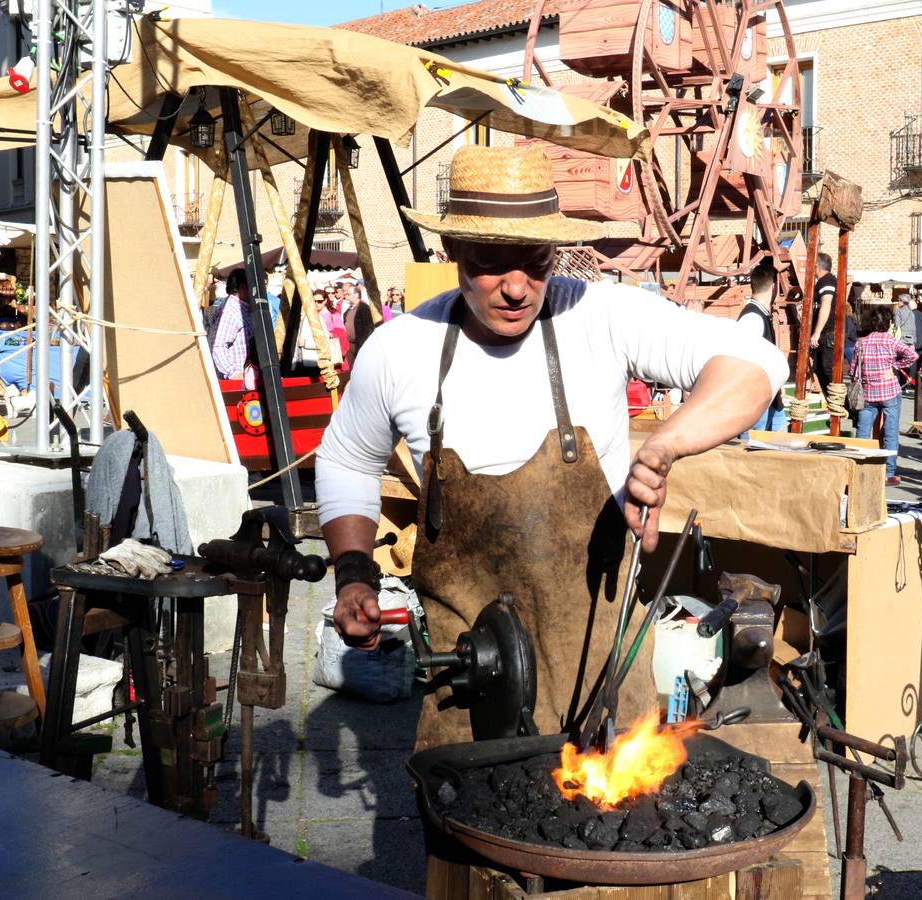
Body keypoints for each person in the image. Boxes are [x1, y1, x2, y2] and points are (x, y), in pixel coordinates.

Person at [315, 144, 787, 751]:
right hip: (469, 696)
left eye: (535, 263)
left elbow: (755, 365)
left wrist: (663, 447)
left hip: (604, 689)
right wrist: (355, 574)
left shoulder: (603, 317)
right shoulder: (400, 349)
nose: (516, 288)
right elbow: (346, 459)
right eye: (491, 263)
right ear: (452, 250)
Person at [851, 304, 917, 486]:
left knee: (863, 432)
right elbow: (913, 356)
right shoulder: (891, 341)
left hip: (868, 394)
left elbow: (853, 371)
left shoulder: (861, 343)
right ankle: (888, 472)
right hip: (889, 392)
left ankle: (860, 466)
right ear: (888, 323)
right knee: (891, 432)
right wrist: (894, 366)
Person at [737, 260, 784, 433]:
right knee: (752, 448)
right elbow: (743, 359)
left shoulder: (761, 315)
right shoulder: (752, 318)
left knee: (780, 441)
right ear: (773, 287)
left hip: (769, 397)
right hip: (755, 399)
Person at [211, 270, 252, 381]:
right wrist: (233, 374)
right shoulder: (231, 311)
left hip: (243, 378)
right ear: (242, 287)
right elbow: (218, 347)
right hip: (237, 381)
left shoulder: (237, 308)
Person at [809, 252, 838, 392]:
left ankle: (841, 407)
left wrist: (817, 333)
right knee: (819, 369)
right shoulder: (824, 281)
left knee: (828, 372)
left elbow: (826, 305)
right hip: (824, 334)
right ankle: (834, 404)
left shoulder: (827, 281)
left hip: (827, 334)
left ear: (817, 266)